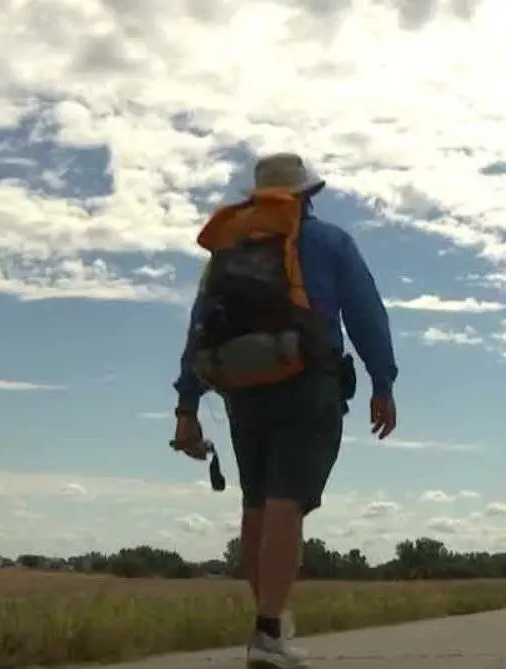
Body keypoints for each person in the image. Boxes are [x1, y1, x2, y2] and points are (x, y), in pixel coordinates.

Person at [170, 152, 398, 669]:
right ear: (308, 194)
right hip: (307, 384)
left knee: (256, 506)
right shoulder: (329, 242)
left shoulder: (227, 251)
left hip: (242, 391)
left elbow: (200, 328)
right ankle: (269, 632)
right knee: (286, 503)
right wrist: (382, 382)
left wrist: (187, 404)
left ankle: (267, 624)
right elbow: (366, 313)